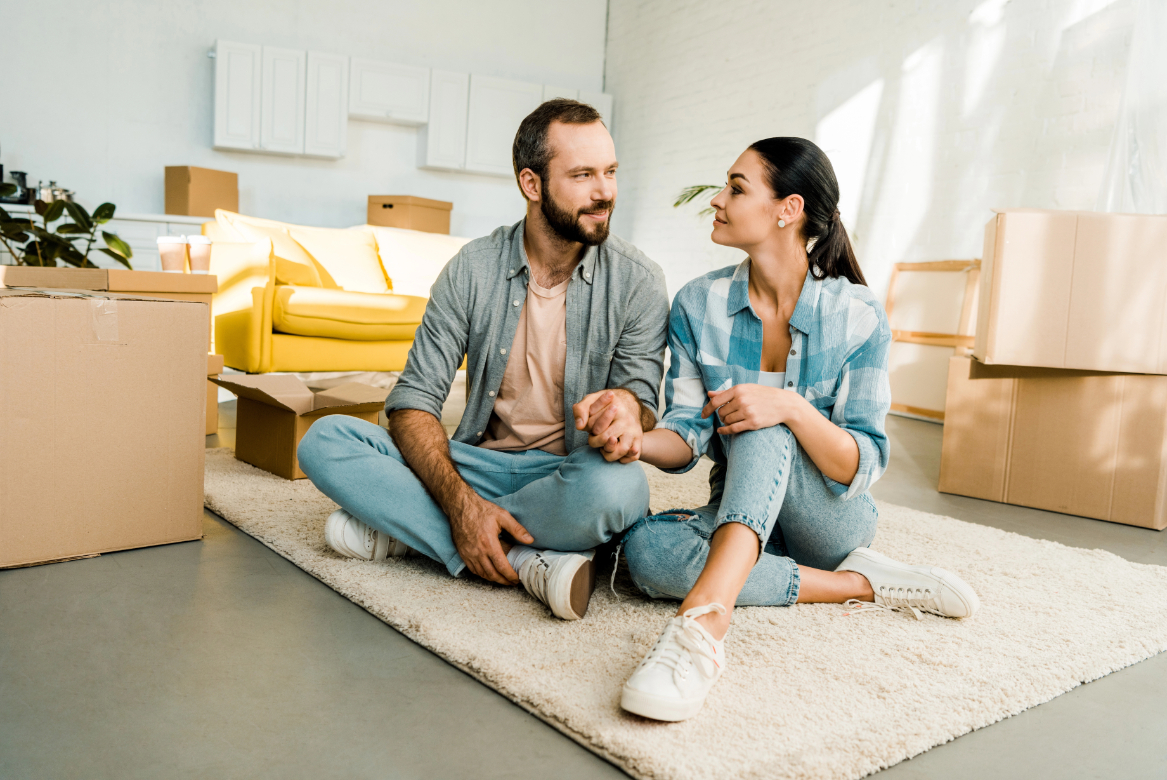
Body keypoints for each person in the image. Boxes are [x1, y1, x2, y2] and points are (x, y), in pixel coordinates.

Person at [616, 137, 980, 723]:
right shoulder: (695, 304)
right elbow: (686, 436)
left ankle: (703, 626)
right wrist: (636, 440)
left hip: (829, 520)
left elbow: (861, 462)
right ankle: (863, 586)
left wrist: (790, 408)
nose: (717, 199)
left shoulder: (857, 314)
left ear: (788, 209)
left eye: (736, 187)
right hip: (737, 510)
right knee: (646, 553)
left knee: (766, 418)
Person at [297, 99, 669, 622]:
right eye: (583, 174)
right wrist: (460, 504)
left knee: (621, 488)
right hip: (477, 465)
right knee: (326, 440)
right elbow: (411, 403)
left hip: (569, 471)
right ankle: (523, 557)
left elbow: (643, 399)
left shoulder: (638, 281)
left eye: (609, 172)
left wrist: (629, 409)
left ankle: (418, 536)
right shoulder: (471, 269)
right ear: (532, 184)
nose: (604, 191)